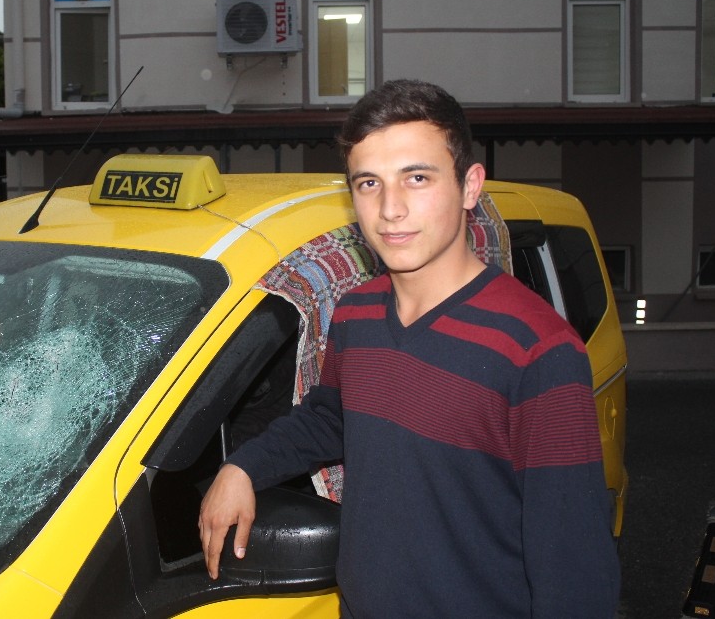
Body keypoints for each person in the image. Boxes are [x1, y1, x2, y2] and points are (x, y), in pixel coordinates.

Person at [197, 79, 620, 617]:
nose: (390, 208)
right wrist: (241, 468)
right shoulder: (356, 313)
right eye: (369, 183)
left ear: (470, 187)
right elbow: (332, 418)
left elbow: (574, 571)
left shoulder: (537, 350)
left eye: (417, 178)